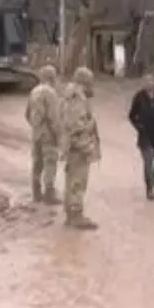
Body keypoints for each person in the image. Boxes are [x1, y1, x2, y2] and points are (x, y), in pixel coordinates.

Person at [59, 66, 100, 230]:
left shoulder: (73, 96)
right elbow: (76, 126)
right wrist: (86, 147)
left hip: (74, 146)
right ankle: (75, 215)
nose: (93, 85)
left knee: (73, 180)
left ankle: (72, 213)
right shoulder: (77, 98)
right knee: (77, 180)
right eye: (91, 82)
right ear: (85, 82)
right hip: (78, 147)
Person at [25, 65, 62, 204]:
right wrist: (59, 135)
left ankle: (36, 193)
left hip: (36, 133)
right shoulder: (50, 93)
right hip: (48, 134)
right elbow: (54, 117)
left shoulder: (34, 91)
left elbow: (27, 114)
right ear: (52, 77)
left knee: (37, 162)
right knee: (50, 163)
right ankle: (49, 194)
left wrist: (35, 126)